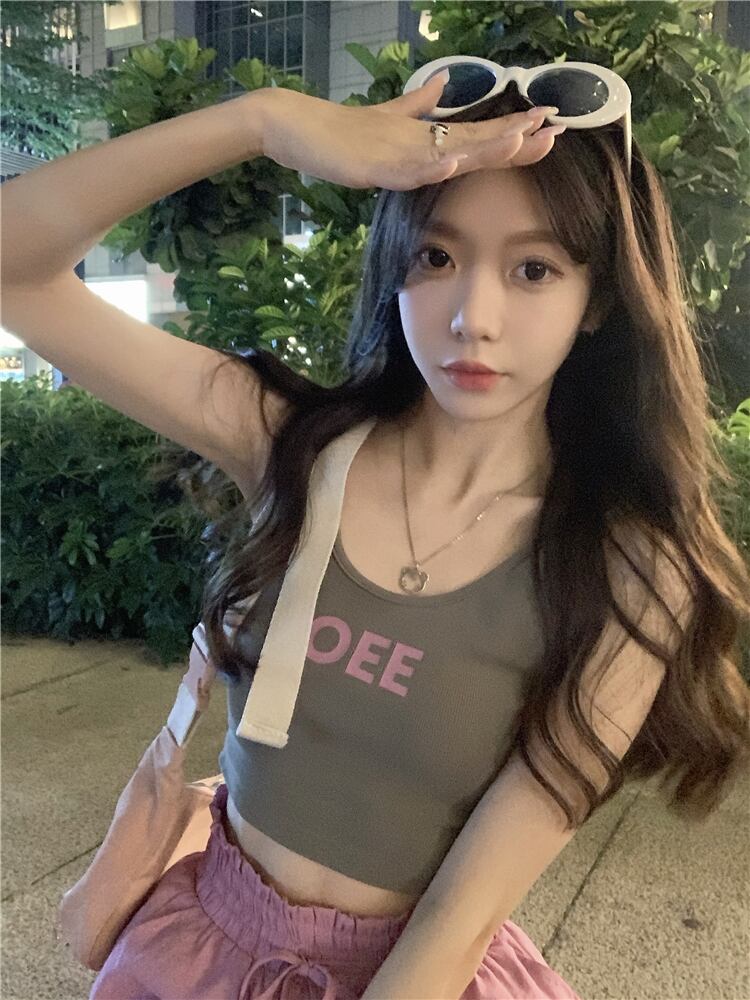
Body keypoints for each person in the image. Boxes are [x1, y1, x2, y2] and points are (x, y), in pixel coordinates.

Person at [2, 59, 749, 1000]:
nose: (474, 318)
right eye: (436, 258)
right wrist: (265, 122)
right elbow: (14, 270)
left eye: (534, 269)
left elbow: (460, 920)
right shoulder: (292, 445)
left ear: (597, 299)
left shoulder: (627, 571)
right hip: (196, 953)